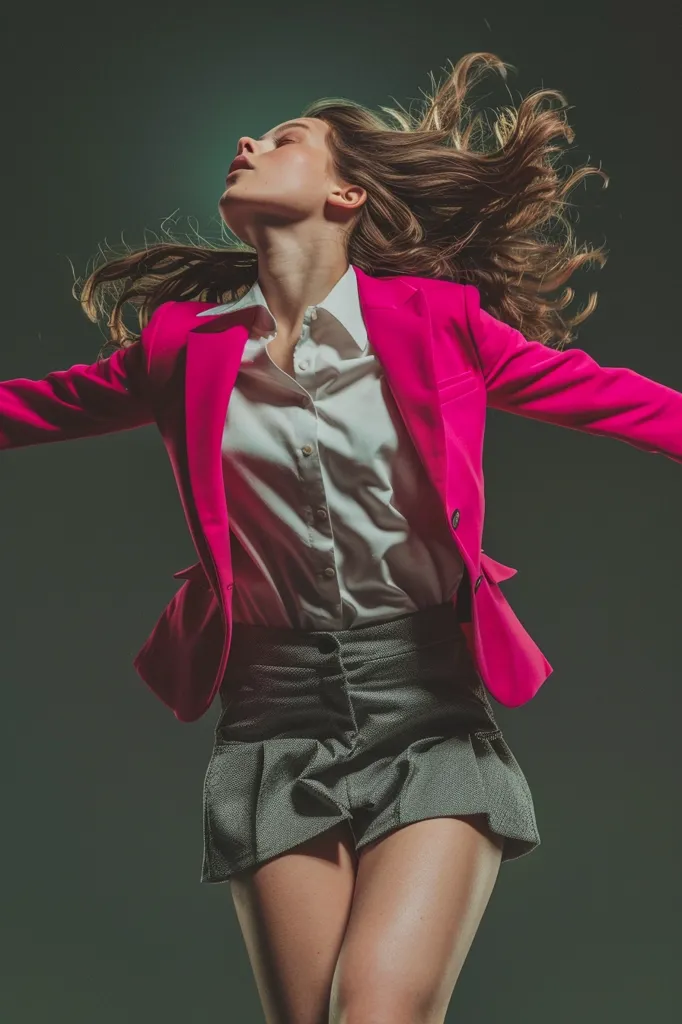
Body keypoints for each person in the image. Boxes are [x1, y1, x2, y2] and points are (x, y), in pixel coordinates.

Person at [2, 51, 681, 1024]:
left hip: (425, 703)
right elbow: (27, 409)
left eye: (286, 140)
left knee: (375, 1011)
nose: (250, 143)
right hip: (271, 712)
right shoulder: (183, 350)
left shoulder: (439, 324)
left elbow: (618, 400)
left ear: (346, 193)